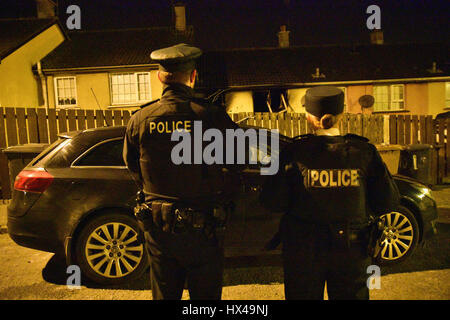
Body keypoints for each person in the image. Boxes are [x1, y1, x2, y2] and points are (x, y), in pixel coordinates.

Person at [123, 43, 241, 300]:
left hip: (159, 228)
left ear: (159, 77)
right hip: (204, 228)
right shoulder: (212, 117)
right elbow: (237, 164)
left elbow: (133, 166)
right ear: (193, 76)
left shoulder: (140, 119)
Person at [260, 86, 400, 300]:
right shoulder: (363, 152)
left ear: (308, 117)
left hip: (303, 250)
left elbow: (272, 202)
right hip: (352, 250)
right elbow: (387, 202)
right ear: (342, 115)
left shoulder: (293, 152)